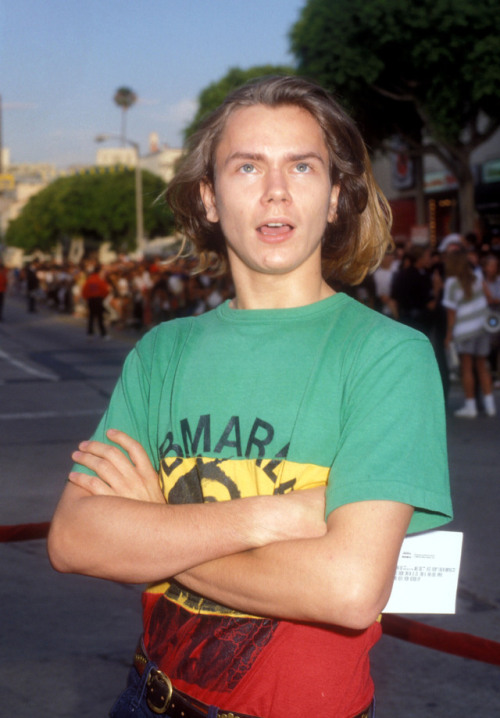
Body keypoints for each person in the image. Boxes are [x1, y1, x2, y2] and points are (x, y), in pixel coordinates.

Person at [48, 76, 453, 718]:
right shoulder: (162, 352)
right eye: (246, 166)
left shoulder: (388, 355)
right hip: (146, 699)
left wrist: (160, 527)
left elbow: (347, 588)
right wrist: (278, 515)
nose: (276, 190)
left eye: (302, 165)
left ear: (334, 197)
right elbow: (74, 540)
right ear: (209, 198)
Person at [443, 249, 497, 418]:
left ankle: (471, 406)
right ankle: (490, 406)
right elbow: (487, 298)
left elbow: (451, 313)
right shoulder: (477, 277)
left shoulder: (451, 283)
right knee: (483, 368)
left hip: (464, 331)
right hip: (482, 328)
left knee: (467, 369)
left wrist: (448, 335)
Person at [81, 264, 111, 339]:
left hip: (91, 299)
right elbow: (105, 290)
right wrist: (103, 296)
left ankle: (90, 333)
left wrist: (87, 298)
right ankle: (103, 333)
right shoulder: (100, 280)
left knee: (91, 316)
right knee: (100, 317)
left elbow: (84, 290)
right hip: (98, 299)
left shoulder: (90, 279)